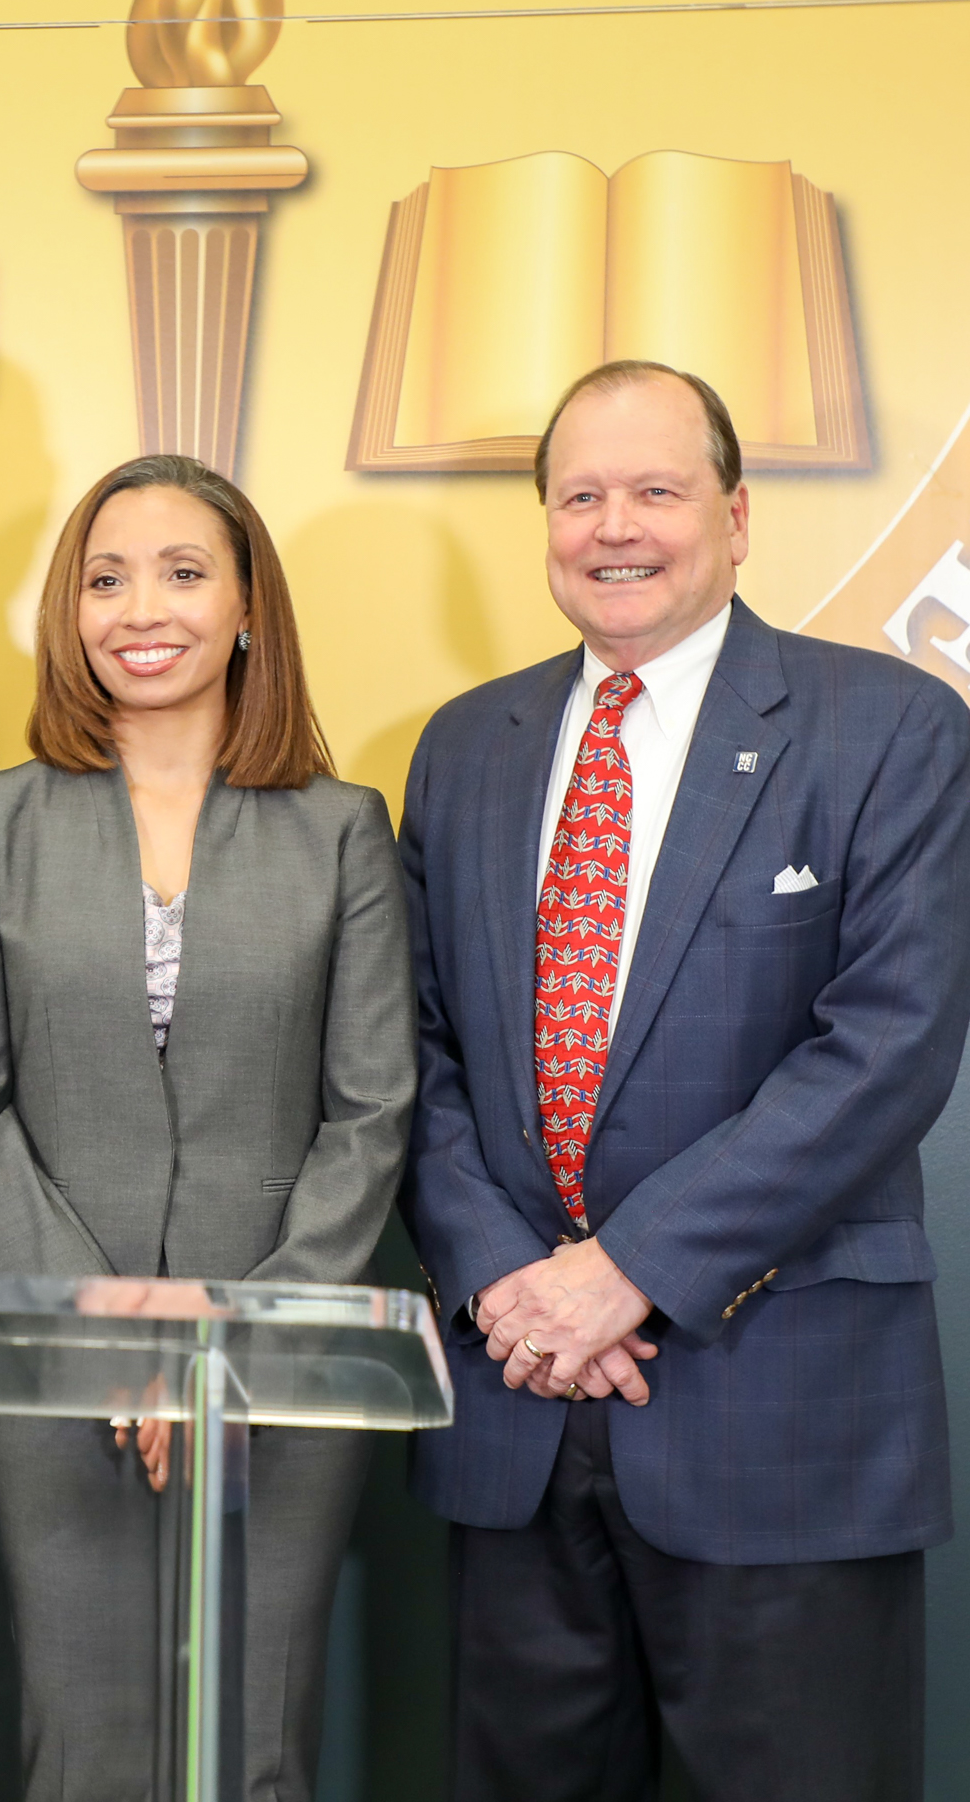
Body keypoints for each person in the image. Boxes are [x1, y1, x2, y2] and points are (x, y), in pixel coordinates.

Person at [399, 359, 970, 1801]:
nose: (616, 527)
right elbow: (414, 1050)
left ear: (737, 516)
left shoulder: (890, 727)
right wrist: (509, 1285)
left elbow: (887, 1046)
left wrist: (627, 1274)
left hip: (778, 1415)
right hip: (518, 1403)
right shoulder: (465, 748)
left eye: (657, 490)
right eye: (580, 495)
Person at [0, 453, 415, 1802]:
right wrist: (110, 1325)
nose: (142, 609)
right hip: (56, 1357)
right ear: (70, 613)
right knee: (80, 1746)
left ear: (249, 608)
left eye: (184, 574)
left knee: (254, 1748)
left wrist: (230, 1342)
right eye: (107, 579)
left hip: (279, 1366)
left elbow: (372, 1111)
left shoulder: (341, 831)